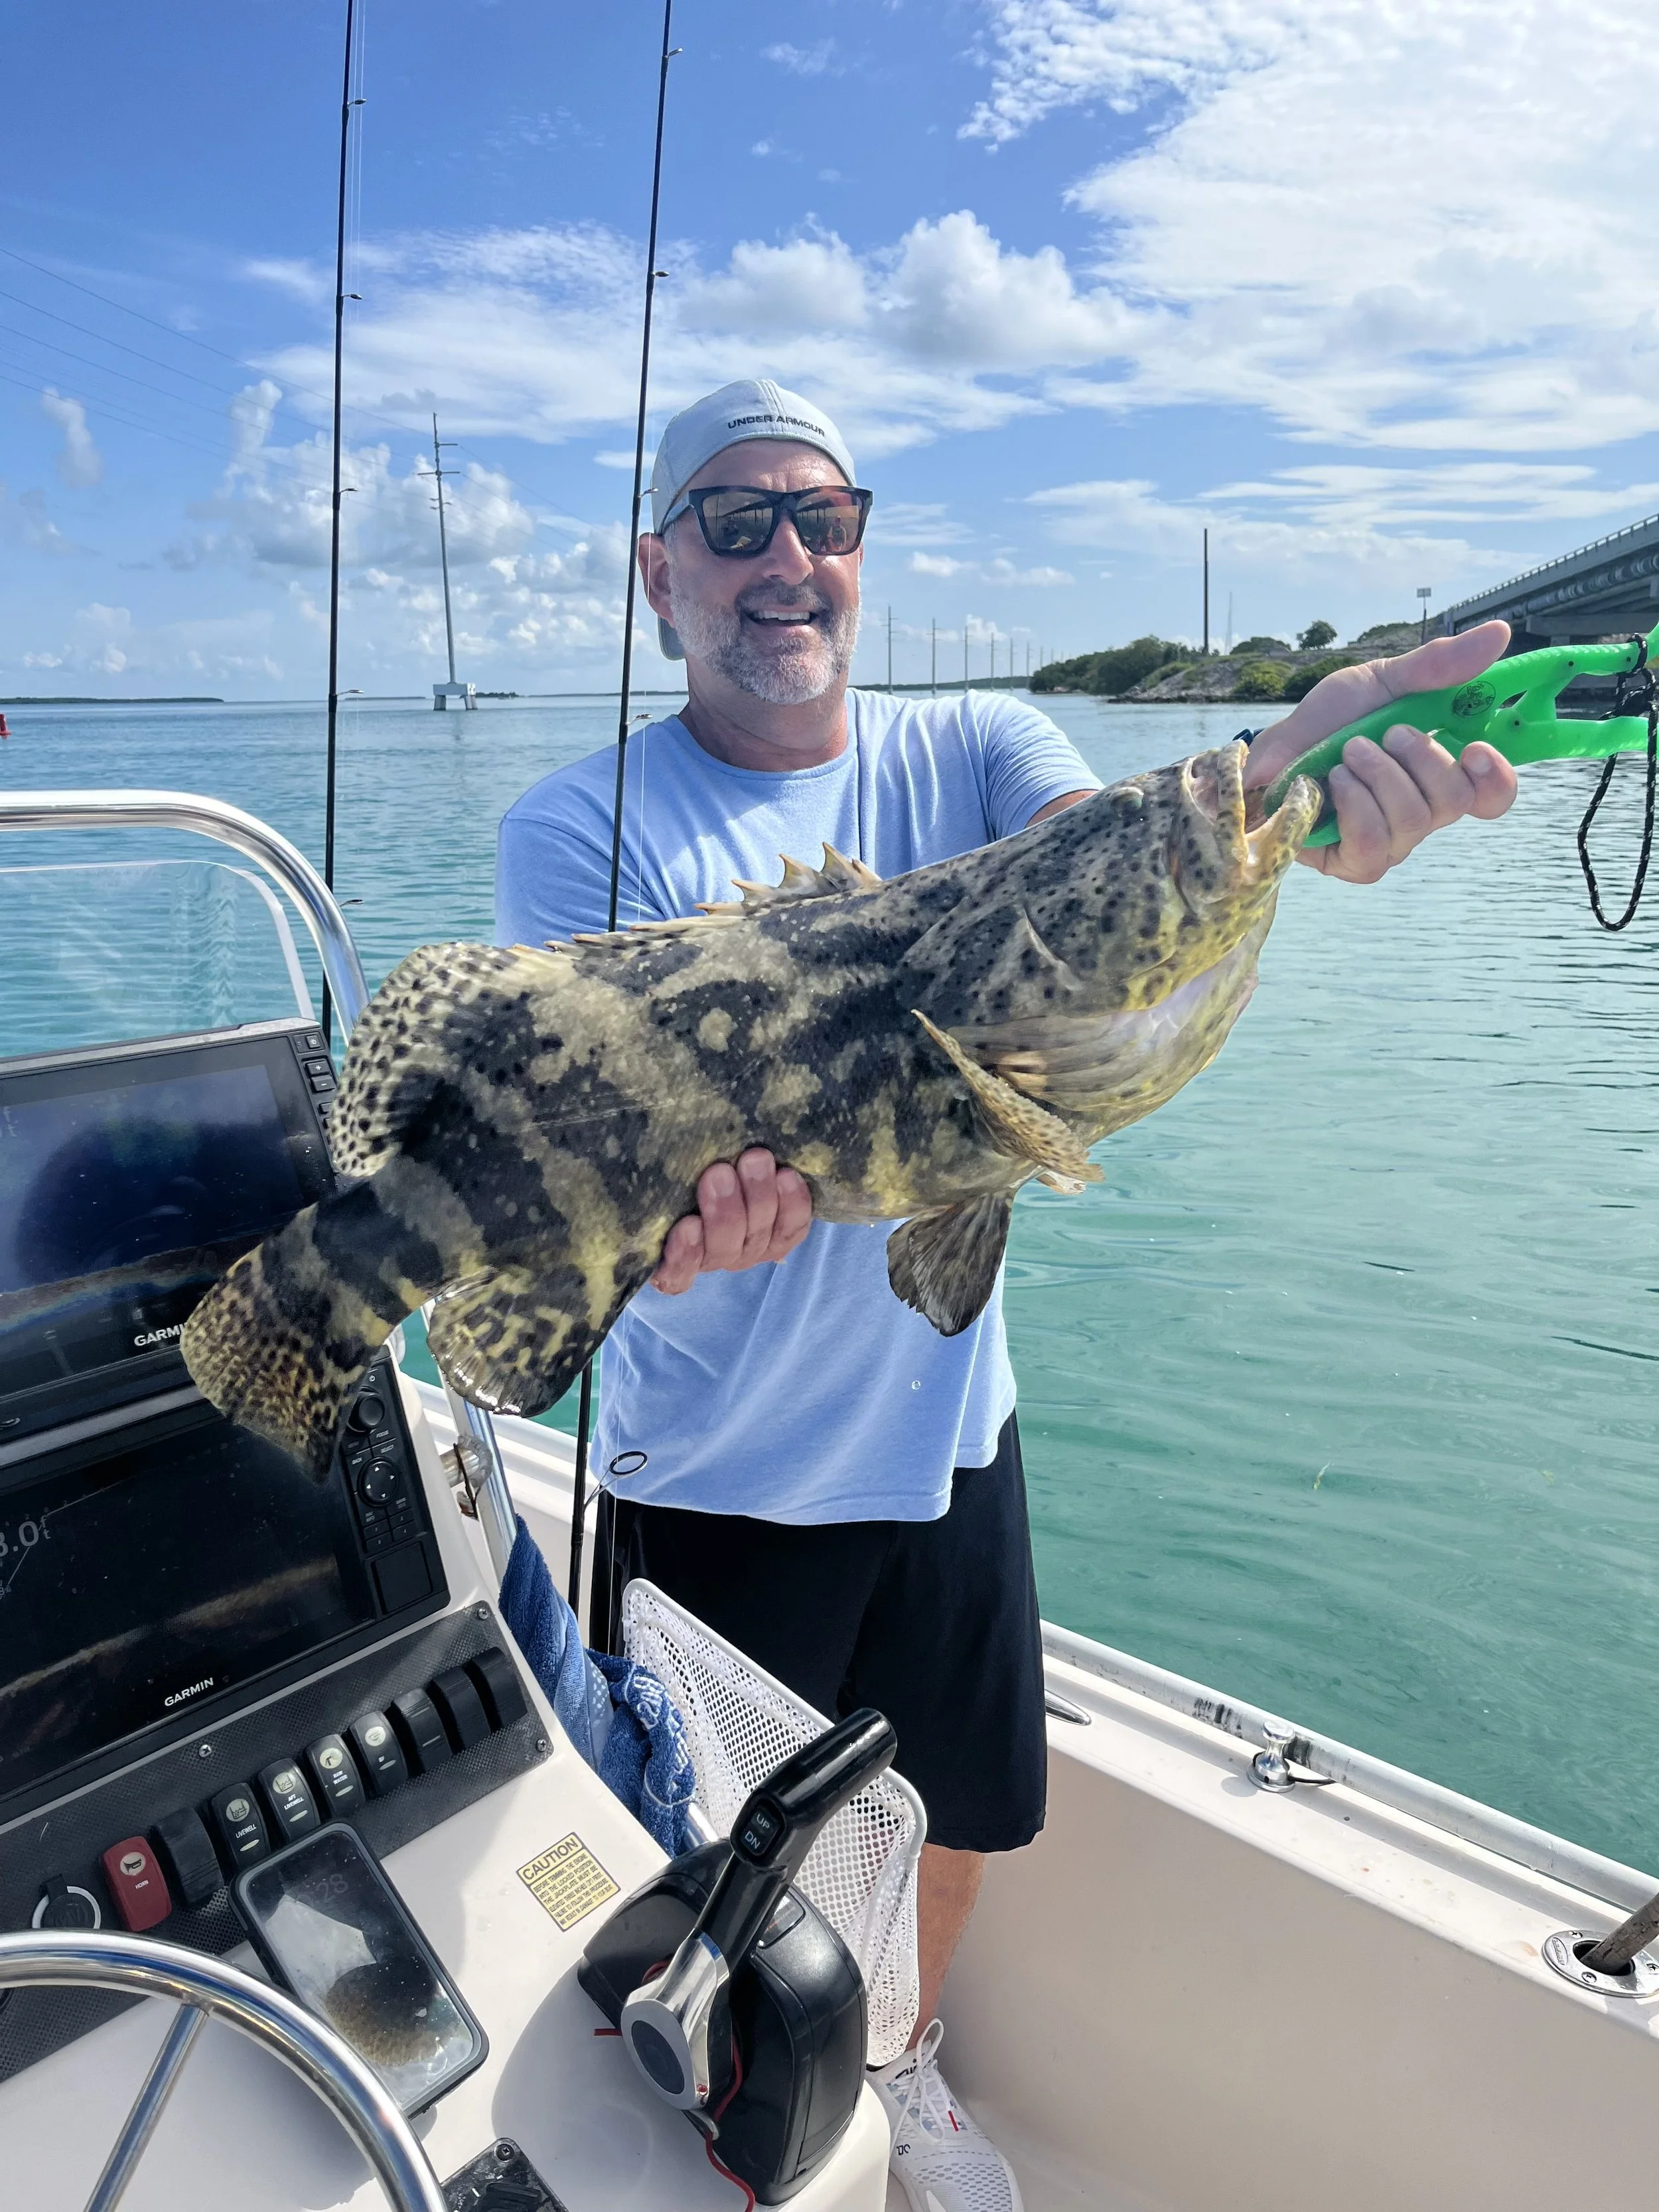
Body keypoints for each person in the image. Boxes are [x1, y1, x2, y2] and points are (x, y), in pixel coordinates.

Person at [496, 379, 1517, 2212]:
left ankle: (895, 2059)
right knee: (704, 1845)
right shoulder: (582, 825)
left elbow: (1122, 854)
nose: (786, 558)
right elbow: (571, 1137)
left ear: (862, 553)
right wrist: (657, 1231)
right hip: (712, 1460)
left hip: (949, 1426)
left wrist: (1302, 786)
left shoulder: (976, 744)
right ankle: (714, 2113)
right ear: (657, 571)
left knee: (962, 1804)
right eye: (735, 523)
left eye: (823, 516)